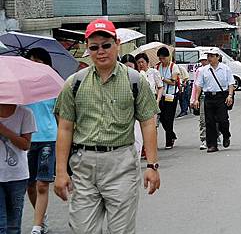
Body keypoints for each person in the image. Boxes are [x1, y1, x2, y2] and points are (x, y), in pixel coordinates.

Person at [53, 19, 160, 233]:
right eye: (94, 47)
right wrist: (60, 172)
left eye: (106, 45)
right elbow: (64, 128)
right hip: (84, 165)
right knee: (82, 229)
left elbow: (148, 123)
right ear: (87, 49)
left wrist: (152, 166)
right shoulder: (74, 83)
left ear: (116, 44)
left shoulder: (135, 81)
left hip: (121, 163)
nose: (100, 51)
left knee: (120, 230)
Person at [24, 48, 57, 234]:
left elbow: (62, 117)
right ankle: (41, 215)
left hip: (49, 139)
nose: (35, 64)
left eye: (39, 61)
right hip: (26, 140)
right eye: (31, 61)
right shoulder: (21, 86)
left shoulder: (54, 85)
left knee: (42, 183)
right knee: (29, 185)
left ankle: (37, 226)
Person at [0, 97, 36, 234]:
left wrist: (3, 130)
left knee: (14, 225)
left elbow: (25, 145)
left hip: (17, 176)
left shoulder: (26, 113)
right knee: (1, 225)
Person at [193, 48, 234, 153]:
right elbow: (199, 86)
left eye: (212, 56)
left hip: (221, 97)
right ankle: (212, 145)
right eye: (208, 56)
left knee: (223, 120)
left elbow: (231, 83)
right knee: (209, 122)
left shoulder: (225, 69)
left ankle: (226, 135)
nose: (209, 58)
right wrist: (196, 99)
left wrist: (230, 95)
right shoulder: (203, 70)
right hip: (208, 97)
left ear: (218, 57)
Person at [134, 52, 163, 159]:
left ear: (147, 62)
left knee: (152, 126)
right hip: (140, 102)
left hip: (152, 101)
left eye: (142, 62)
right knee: (140, 127)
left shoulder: (153, 72)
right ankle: (141, 147)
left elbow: (160, 87)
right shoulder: (136, 74)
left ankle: (150, 148)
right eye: (138, 62)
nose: (141, 64)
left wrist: (157, 100)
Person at [156, 47, 180, 149]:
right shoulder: (157, 67)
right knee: (162, 117)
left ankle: (169, 141)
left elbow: (173, 81)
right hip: (161, 96)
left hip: (171, 95)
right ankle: (172, 135)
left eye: (163, 58)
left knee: (169, 118)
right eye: (160, 58)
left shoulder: (173, 67)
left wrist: (162, 79)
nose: (162, 60)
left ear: (168, 57)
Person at [121, 55, 144, 159]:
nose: (128, 70)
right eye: (126, 67)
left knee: (137, 142)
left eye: (130, 66)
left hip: (136, 118)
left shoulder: (140, 79)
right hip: (121, 119)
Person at [190, 53, 209, 150]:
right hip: (202, 97)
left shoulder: (214, 70)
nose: (203, 62)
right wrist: (193, 99)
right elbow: (195, 86)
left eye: (205, 60)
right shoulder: (199, 71)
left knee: (215, 119)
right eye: (202, 60)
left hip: (213, 97)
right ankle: (204, 139)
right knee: (203, 119)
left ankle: (215, 135)